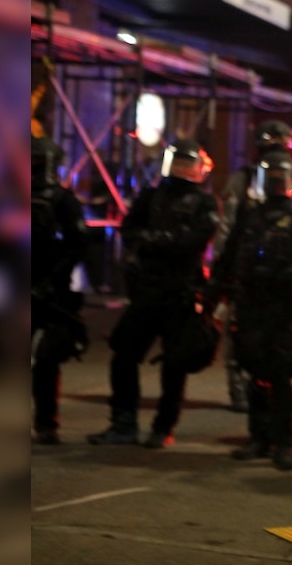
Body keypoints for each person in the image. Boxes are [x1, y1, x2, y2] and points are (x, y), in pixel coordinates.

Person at [87, 139, 219, 449]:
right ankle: (123, 423)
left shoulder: (204, 203)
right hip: (147, 290)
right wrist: (153, 241)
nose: (181, 169)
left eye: (187, 163)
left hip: (181, 292)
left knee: (174, 363)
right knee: (123, 355)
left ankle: (163, 427)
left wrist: (157, 241)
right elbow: (129, 230)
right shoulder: (151, 196)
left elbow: (195, 240)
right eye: (177, 162)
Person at [212, 150, 292, 472]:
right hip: (248, 303)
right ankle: (258, 438)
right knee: (252, 372)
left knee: (280, 375)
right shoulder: (250, 216)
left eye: (281, 177)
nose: (276, 182)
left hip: (279, 305)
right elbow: (228, 257)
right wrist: (213, 294)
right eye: (271, 177)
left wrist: (287, 273)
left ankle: (283, 443)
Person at [214, 119, 292, 412]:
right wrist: (221, 265)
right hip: (245, 267)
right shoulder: (243, 179)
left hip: (280, 273)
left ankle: (271, 395)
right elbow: (228, 224)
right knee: (238, 329)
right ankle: (240, 389)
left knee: (279, 341)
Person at [31, 136, 88, 445]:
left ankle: (46, 422)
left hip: (51, 291)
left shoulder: (63, 200)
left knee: (46, 359)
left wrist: (53, 281)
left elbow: (76, 245)